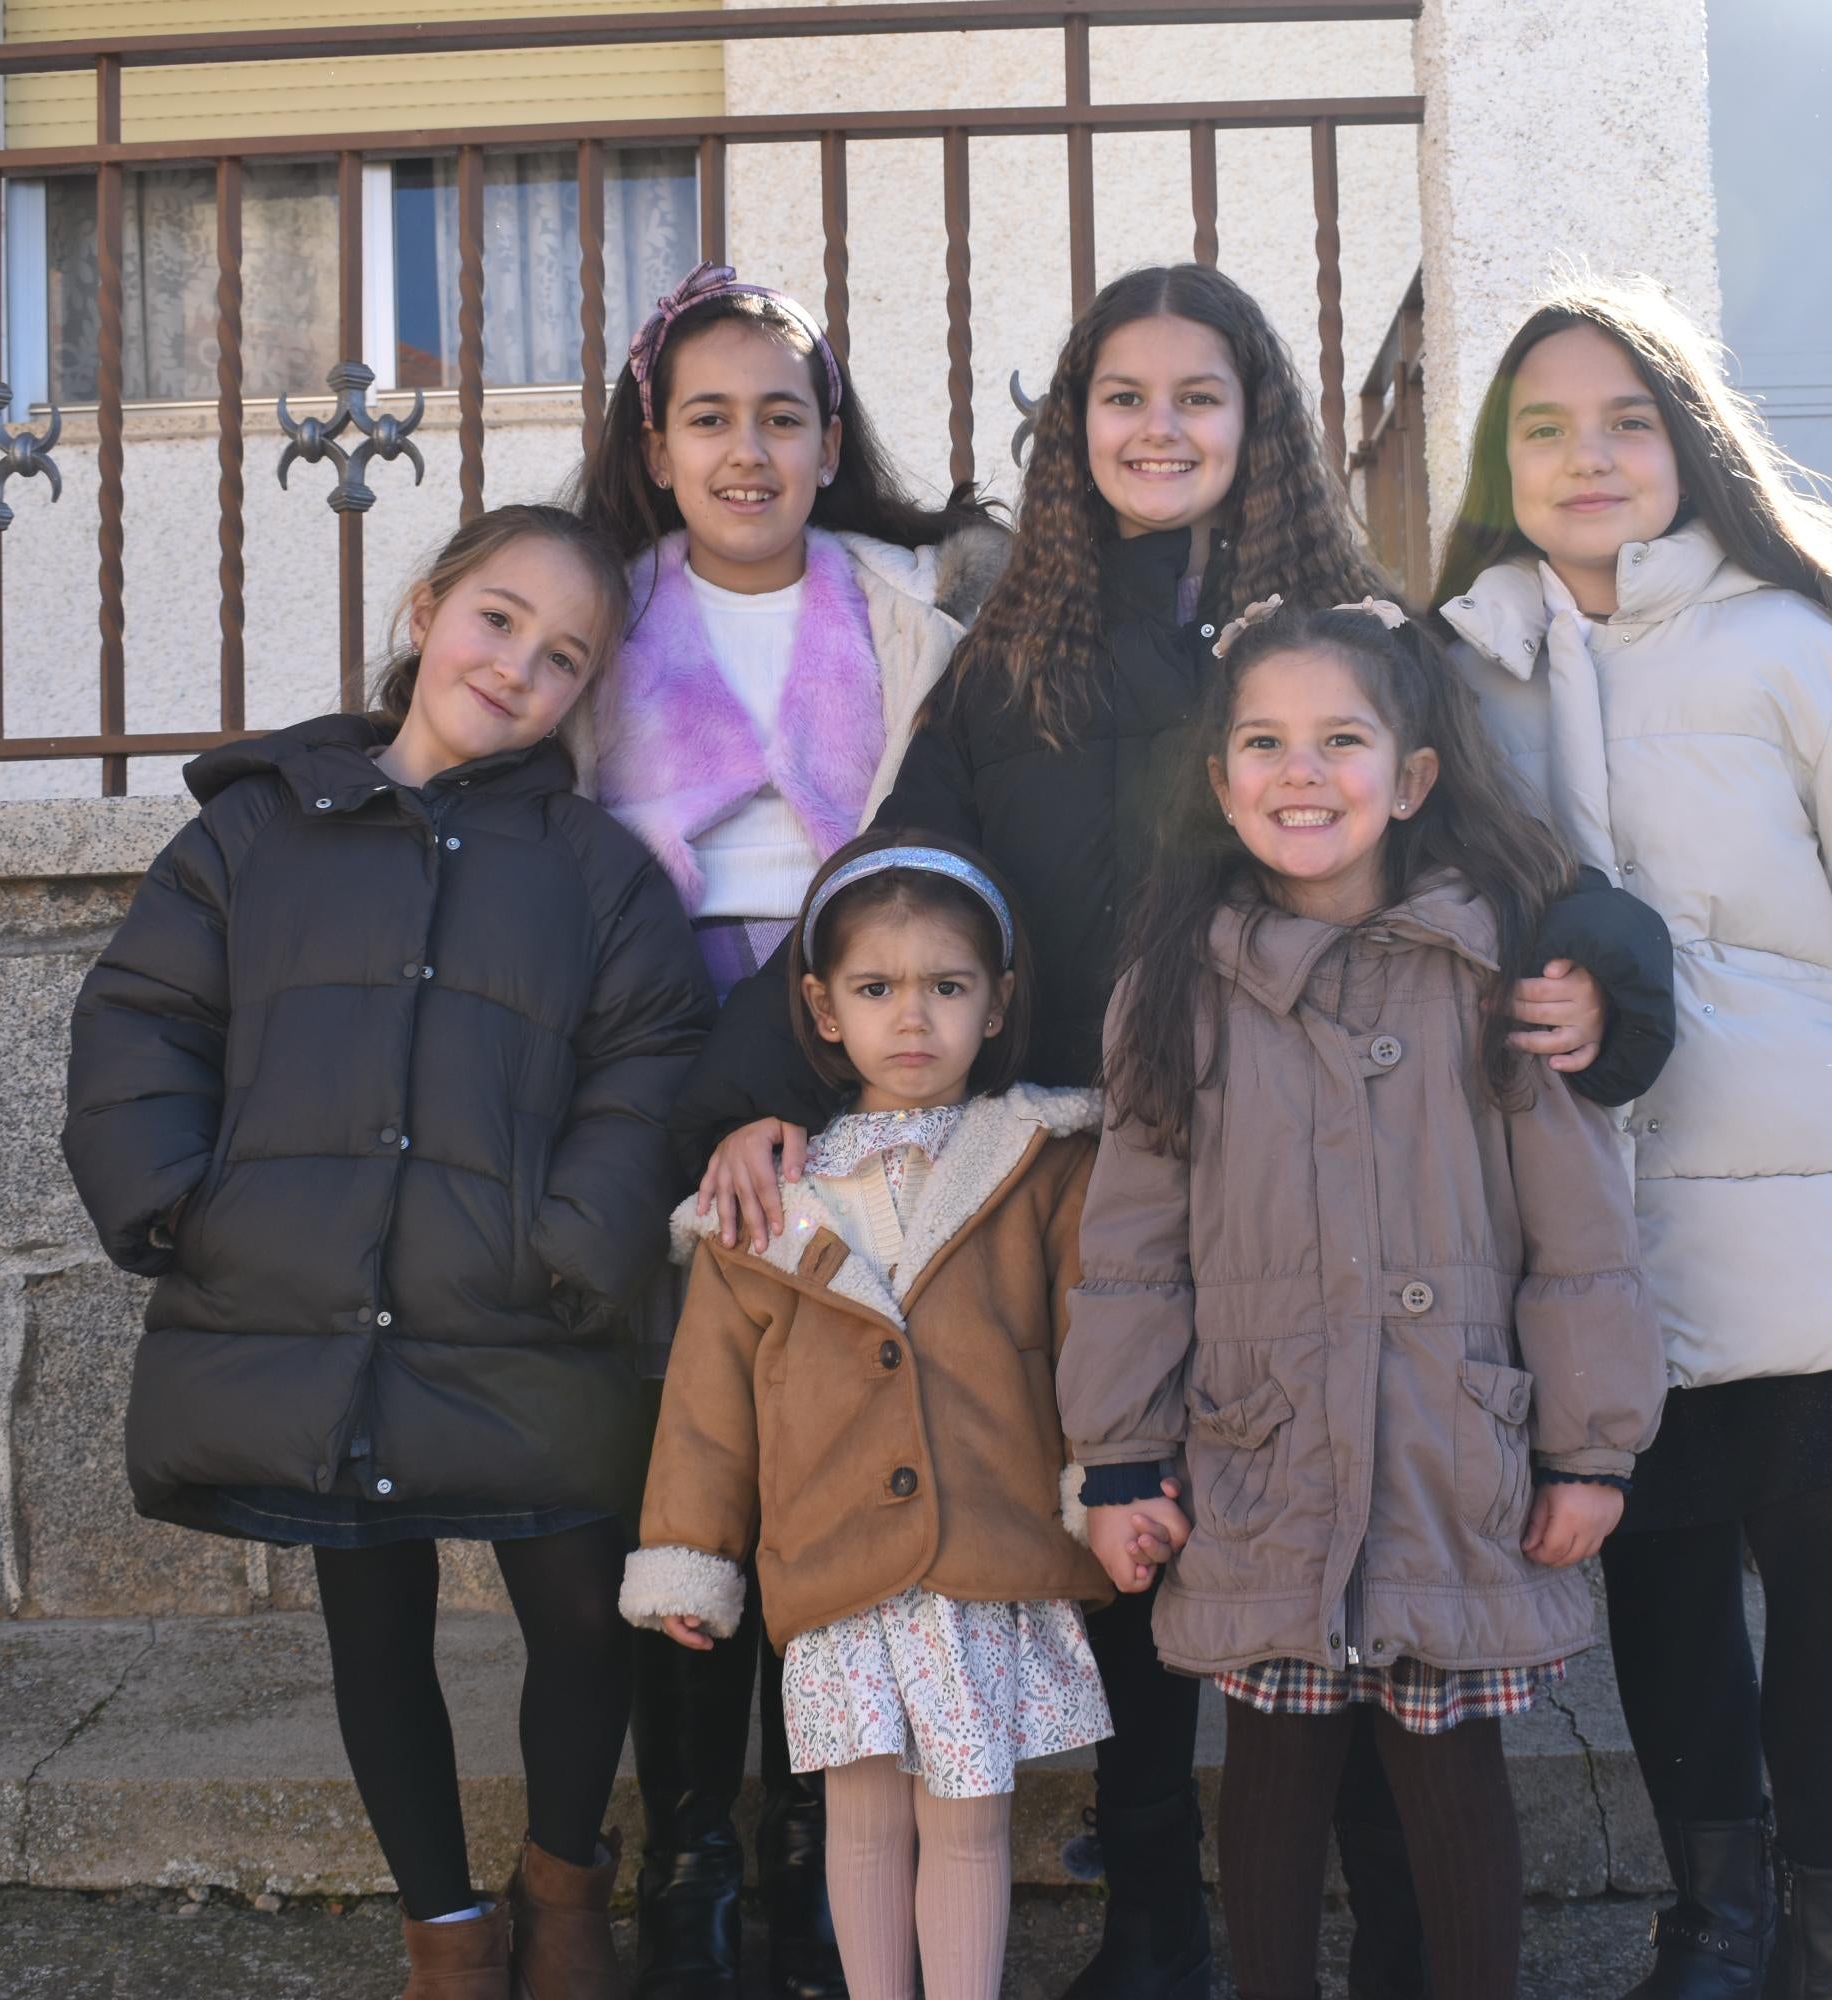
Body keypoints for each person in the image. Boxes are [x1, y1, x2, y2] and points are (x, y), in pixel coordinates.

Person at [677, 262, 1678, 2000]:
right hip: (1100, 1172)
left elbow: (1526, 862)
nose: (1158, 428)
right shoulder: (1017, 660)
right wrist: (760, 1086)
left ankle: (1406, 1950)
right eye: (1120, 398)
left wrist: (1610, 969)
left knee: (1364, 1581)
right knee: (1133, 1544)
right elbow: (894, 887)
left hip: (1351, 1174)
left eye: (1195, 395)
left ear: (1256, 421)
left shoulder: (1364, 644)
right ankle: (1158, 1923)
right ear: (1073, 430)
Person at [1433, 278, 1832, 2000]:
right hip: (1588, 1219)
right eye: (1545, 427)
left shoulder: (1790, 649)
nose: (1588, 456)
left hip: (1820, 1189)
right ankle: (1714, 1924)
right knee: (1662, 1566)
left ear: (1691, 449)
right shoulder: (1455, 667)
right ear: (1498, 462)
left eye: (1628, 420)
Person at [60, 505, 711, 2000]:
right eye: (497, 620)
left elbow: (648, 1065)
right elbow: (142, 1015)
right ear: (427, 610)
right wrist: (178, 1202)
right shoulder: (253, 829)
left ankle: (563, 1882)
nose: (517, 667)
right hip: (312, 1305)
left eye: (563, 657)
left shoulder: (598, 873)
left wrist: (576, 1244)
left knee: (578, 1609)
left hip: (524, 1307)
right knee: (374, 1616)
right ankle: (445, 1929)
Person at [1060, 597, 1668, 2000]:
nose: (1301, 771)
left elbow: (1580, 1236)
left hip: (1450, 1447)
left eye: (1342, 739)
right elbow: (1132, 1249)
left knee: (1451, 1782)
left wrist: (1590, 1444)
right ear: (1219, 781)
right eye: (1264, 742)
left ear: (1410, 778)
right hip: (1266, 1447)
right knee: (1270, 1783)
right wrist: (1120, 1455)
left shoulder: (1495, 973)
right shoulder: (1176, 991)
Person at [570, 259, 1010, 2000]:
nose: (746, 449)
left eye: (781, 415)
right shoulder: (596, 614)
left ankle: (827, 1863)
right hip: (656, 1068)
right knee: (695, 1468)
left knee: (842, 1461)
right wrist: (699, 1106)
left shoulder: (915, 612)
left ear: (831, 440)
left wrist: (809, 1078)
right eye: (708, 419)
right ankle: (690, 1860)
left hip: (857, 1063)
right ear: (655, 446)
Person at [620, 830, 1117, 2000]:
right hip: (838, 1556)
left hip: (983, 1552)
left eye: (948, 987)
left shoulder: (1039, 1158)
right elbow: (705, 1398)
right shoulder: (772, 1192)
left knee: (969, 1817)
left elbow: (1098, 1332)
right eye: (876, 987)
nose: (914, 1018)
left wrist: (1108, 1478)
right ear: (822, 1006)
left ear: (997, 1004)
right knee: (857, 1820)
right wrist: (691, 1556)